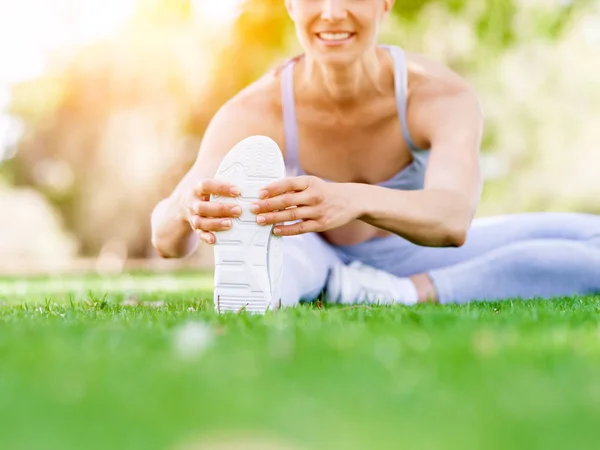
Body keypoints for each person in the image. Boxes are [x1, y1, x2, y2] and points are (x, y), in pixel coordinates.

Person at [151, 0, 600, 313]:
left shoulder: (439, 96)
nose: (331, 12)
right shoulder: (254, 110)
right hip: (310, 248)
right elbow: (169, 241)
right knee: (288, 252)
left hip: (414, 257)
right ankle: (272, 287)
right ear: (290, 4)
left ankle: (406, 293)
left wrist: (353, 200)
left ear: (384, 2)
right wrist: (187, 209)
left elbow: (452, 218)